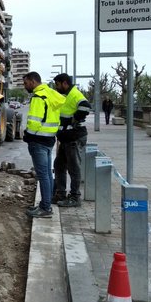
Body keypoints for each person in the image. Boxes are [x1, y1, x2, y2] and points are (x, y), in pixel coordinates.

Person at [22, 71, 65, 218]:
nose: (25, 86)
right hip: (49, 139)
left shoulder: (39, 96)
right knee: (46, 173)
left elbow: (34, 121)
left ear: (33, 82)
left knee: (43, 175)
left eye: (26, 83)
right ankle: (45, 204)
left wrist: (27, 135)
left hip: (38, 141)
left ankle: (46, 208)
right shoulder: (51, 94)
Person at [52, 73, 92, 207]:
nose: (56, 88)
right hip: (67, 137)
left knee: (73, 168)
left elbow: (86, 106)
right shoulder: (66, 95)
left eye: (57, 85)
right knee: (59, 165)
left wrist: (74, 119)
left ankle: (75, 197)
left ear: (64, 83)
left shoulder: (74, 94)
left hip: (74, 136)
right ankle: (60, 193)